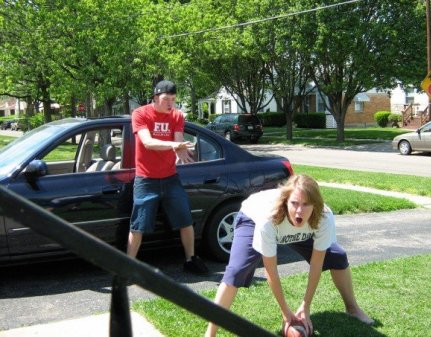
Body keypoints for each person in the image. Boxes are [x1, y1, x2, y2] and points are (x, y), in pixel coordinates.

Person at [205, 174, 373, 336]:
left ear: (316, 205)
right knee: (236, 271)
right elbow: (271, 271)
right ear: (286, 202)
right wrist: (285, 311)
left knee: (337, 256)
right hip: (252, 219)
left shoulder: (324, 217)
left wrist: (305, 306)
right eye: (294, 203)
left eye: (306, 204)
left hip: (292, 229)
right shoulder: (267, 219)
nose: (299, 210)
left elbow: (316, 264)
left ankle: (352, 308)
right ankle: (209, 334)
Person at [127, 79, 209, 275]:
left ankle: (190, 260)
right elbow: (147, 142)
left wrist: (180, 149)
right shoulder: (140, 114)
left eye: (173, 99)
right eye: (166, 99)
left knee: (185, 220)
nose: (170, 103)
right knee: (138, 225)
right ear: (155, 97)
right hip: (145, 180)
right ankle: (128, 267)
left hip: (170, 178)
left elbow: (179, 141)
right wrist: (173, 146)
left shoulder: (177, 115)